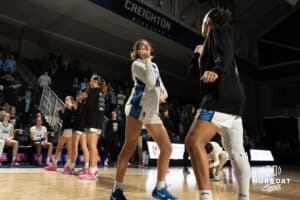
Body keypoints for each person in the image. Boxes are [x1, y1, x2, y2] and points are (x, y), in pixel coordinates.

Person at [185, 8, 250, 200]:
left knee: (193, 141)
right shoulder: (206, 45)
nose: (202, 23)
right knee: (237, 153)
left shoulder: (217, 31)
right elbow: (193, 76)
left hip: (218, 98)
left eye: (204, 19)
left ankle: (205, 196)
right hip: (235, 100)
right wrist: (197, 56)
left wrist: (217, 71)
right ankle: (244, 197)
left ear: (210, 20)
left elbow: (225, 57)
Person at [110, 39, 177, 200]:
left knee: (167, 148)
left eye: (147, 44)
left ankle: (160, 188)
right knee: (129, 147)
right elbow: (151, 81)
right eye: (142, 46)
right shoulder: (137, 64)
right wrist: (147, 60)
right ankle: (116, 190)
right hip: (137, 108)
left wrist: (164, 93)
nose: (145, 46)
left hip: (151, 112)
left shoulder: (154, 65)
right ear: (138, 51)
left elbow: (159, 83)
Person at [79, 74, 107, 180]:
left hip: (92, 122)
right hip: (97, 123)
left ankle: (93, 170)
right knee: (93, 146)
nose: (90, 82)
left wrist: (83, 100)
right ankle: (94, 170)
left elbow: (88, 107)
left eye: (91, 81)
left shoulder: (93, 92)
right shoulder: (100, 93)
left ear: (95, 82)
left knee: (92, 146)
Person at [45, 96, 76, 173]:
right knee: (61, 147)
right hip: (64, 129)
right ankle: (57, 164)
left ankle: (65, 165)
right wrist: (60, 112)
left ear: (71, 101)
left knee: (66, 148)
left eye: (67, 99)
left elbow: (72, 117)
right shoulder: (67, 108)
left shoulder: (72, 108)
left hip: (69, 129)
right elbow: (63, 118)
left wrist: (70, 108)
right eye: (65, 99)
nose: (66, 100)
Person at [69, 88, 90, 175]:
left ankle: (71, 167)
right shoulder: (86, 104)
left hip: (78, 128)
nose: (79, 96)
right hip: (83, 129)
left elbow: (78, 116)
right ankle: (86, 167)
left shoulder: (81, 104)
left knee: (74, 148)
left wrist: (73, 108)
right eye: (79, 94)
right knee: (84, 147)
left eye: (80, 94)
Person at [182, 104, 195, 175]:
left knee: (186, 153)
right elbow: (189, 128)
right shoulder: (189, 118)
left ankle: (185, 168)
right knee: (188, 153)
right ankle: (185, 168)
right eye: (193, 109)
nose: (194, 110)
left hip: (187, 136)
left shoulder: (185, 117)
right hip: (190, 136)